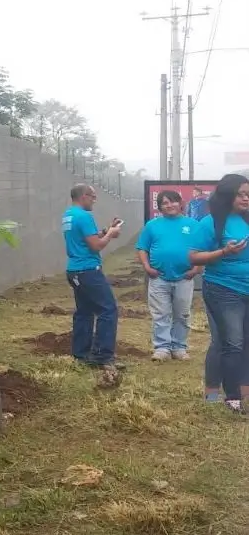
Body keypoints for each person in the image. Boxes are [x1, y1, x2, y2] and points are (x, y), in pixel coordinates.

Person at [188, 173, 249, 414]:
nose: (246, 198)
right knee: (231, 343)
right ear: (228, 195)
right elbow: (193, 256)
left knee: (245, 343)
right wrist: (224, 252)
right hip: (223, 289)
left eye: (248, 194)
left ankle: (243, 391)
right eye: (241, 194)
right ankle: (228, 396)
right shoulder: (211, 222)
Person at [62, 184, 123, 369]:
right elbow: (96, 246)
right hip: (88, 270)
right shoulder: (84, 216)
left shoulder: (69, 215)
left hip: (74, 271)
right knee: (108, 309)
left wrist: (105, 231)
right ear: (84, 196)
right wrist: (111, 235)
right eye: (93, 197)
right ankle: (103, 356)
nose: (94, 201)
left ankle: (81, 354)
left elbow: (87, 238)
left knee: (84, 312)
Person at [136, 190, 202, 361]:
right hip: (158, 278)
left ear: (180, 203)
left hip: (184, 278)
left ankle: (179, 347)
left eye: (172, 201)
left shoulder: (193, 225)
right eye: (164, 203)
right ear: (159, 207)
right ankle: (162, 348)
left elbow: (203, 249)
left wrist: (196, 269)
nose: (169, 205)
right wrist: (147, 267)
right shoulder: (152, 225)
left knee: (182, 314)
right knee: (161, 314)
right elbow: (142, 248)